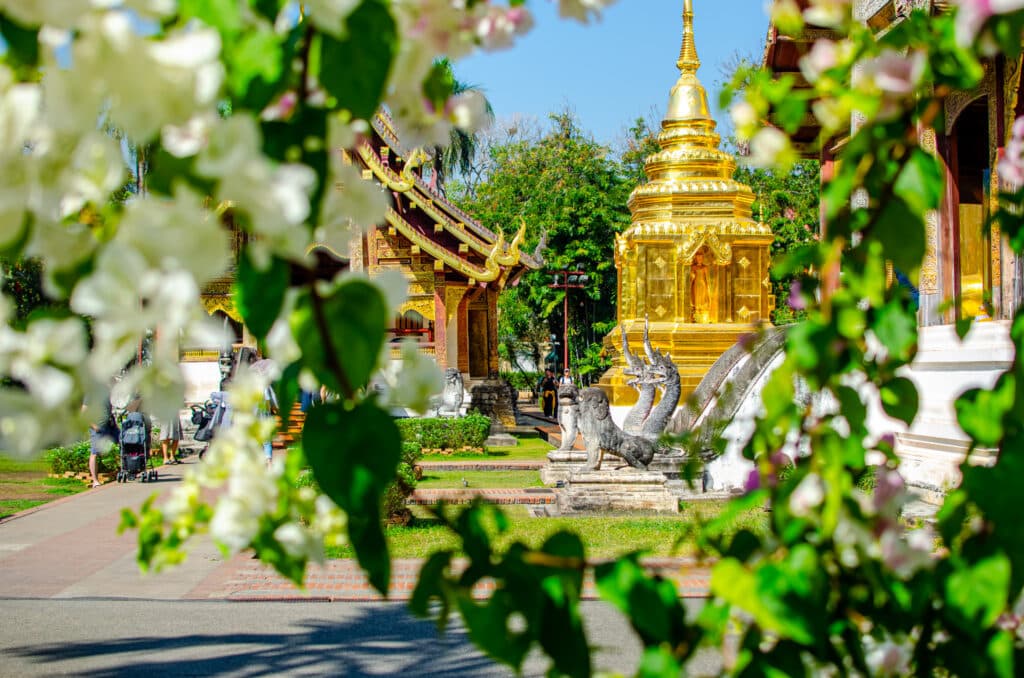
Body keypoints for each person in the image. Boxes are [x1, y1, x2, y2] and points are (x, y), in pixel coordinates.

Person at [87, 398, 119, 488]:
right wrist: (93, 426)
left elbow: (108, 411)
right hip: (98, 427)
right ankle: (95, 481)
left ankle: (130, 470)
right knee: (94, 453)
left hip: (110, 425)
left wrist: (115, 424)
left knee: (124, 442)